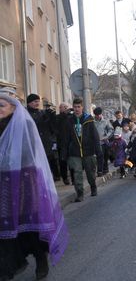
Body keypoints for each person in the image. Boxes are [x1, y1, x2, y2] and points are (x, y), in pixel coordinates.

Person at [0, 93, 68, 280]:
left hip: (24, 181)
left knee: (29, 223)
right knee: (4, 224)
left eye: (1, 106)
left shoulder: (25, 125)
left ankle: (41, 258)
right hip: (3, 184)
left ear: (13, 107)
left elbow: (31, 154)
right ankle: (6, 267)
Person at [62, 98, 102, 202]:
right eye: (75, 107)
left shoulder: (88, 119)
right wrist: (64, 153)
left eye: (78, 107)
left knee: (90, 172)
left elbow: (95, 136)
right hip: (74, 152)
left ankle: (93, 187)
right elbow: (65, 138)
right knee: (77, 173)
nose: (76, 109)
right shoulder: (69, 121)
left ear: (82, 107)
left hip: (88, 151)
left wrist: (98, 151)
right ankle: (80, 194)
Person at [26, 94, 60, 181]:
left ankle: (52, 177)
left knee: (48, 162)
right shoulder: (25, 113)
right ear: (29, 103)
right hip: (32, 144)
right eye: (35, 101)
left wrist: (52, 118)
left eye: (38, 101)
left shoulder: (42, 113)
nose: (37, 103)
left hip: (45, 143)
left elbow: (52, 129)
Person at [93, 107, 114, 176]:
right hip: (96, 142)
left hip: (105, 142)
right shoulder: (92, 122)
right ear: (95, 115)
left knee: (105, 156)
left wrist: (106, 136)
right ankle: (99, 171)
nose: (98, 116)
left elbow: (111, 130)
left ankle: (105, 169)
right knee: (100, 156)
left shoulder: (105, 121)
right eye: (97, 115)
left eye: (99, 114)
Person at [55, 102, 72, 185]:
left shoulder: (71, 117)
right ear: (60, 108)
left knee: (72, 161)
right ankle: (65, 178)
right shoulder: (57, 117)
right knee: (63, 162)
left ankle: (73, 177)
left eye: (66, 107)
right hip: (61, 143)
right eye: (63, 107)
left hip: (71, 143)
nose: (65, 108)